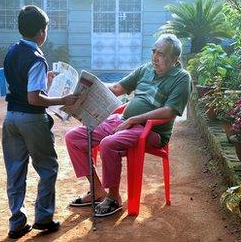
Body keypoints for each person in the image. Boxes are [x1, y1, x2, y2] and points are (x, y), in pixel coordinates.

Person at [65, 34, 191, 217]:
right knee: (73, 137)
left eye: (161, 54)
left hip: (151, 130)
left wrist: (134, 119)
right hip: (123, 121)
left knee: (108, 143)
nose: (155, 57)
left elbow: (170, 111)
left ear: (174, 59)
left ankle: (114, 198)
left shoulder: (181, 78)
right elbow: (117, 89)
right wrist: (84, 90)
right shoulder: (146, 69)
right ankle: (97, 190)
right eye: (154, 51)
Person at [2, 5, 78, 239]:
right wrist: (63, 99)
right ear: (41, 32)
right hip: (32, 120)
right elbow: (34, 98)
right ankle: (44, 217)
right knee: (47, 167)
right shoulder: (37, 58)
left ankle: (16, 222)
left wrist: (45, 80)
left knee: (15, 171)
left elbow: (15, 86)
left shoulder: (12, 51)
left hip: (11, 117)